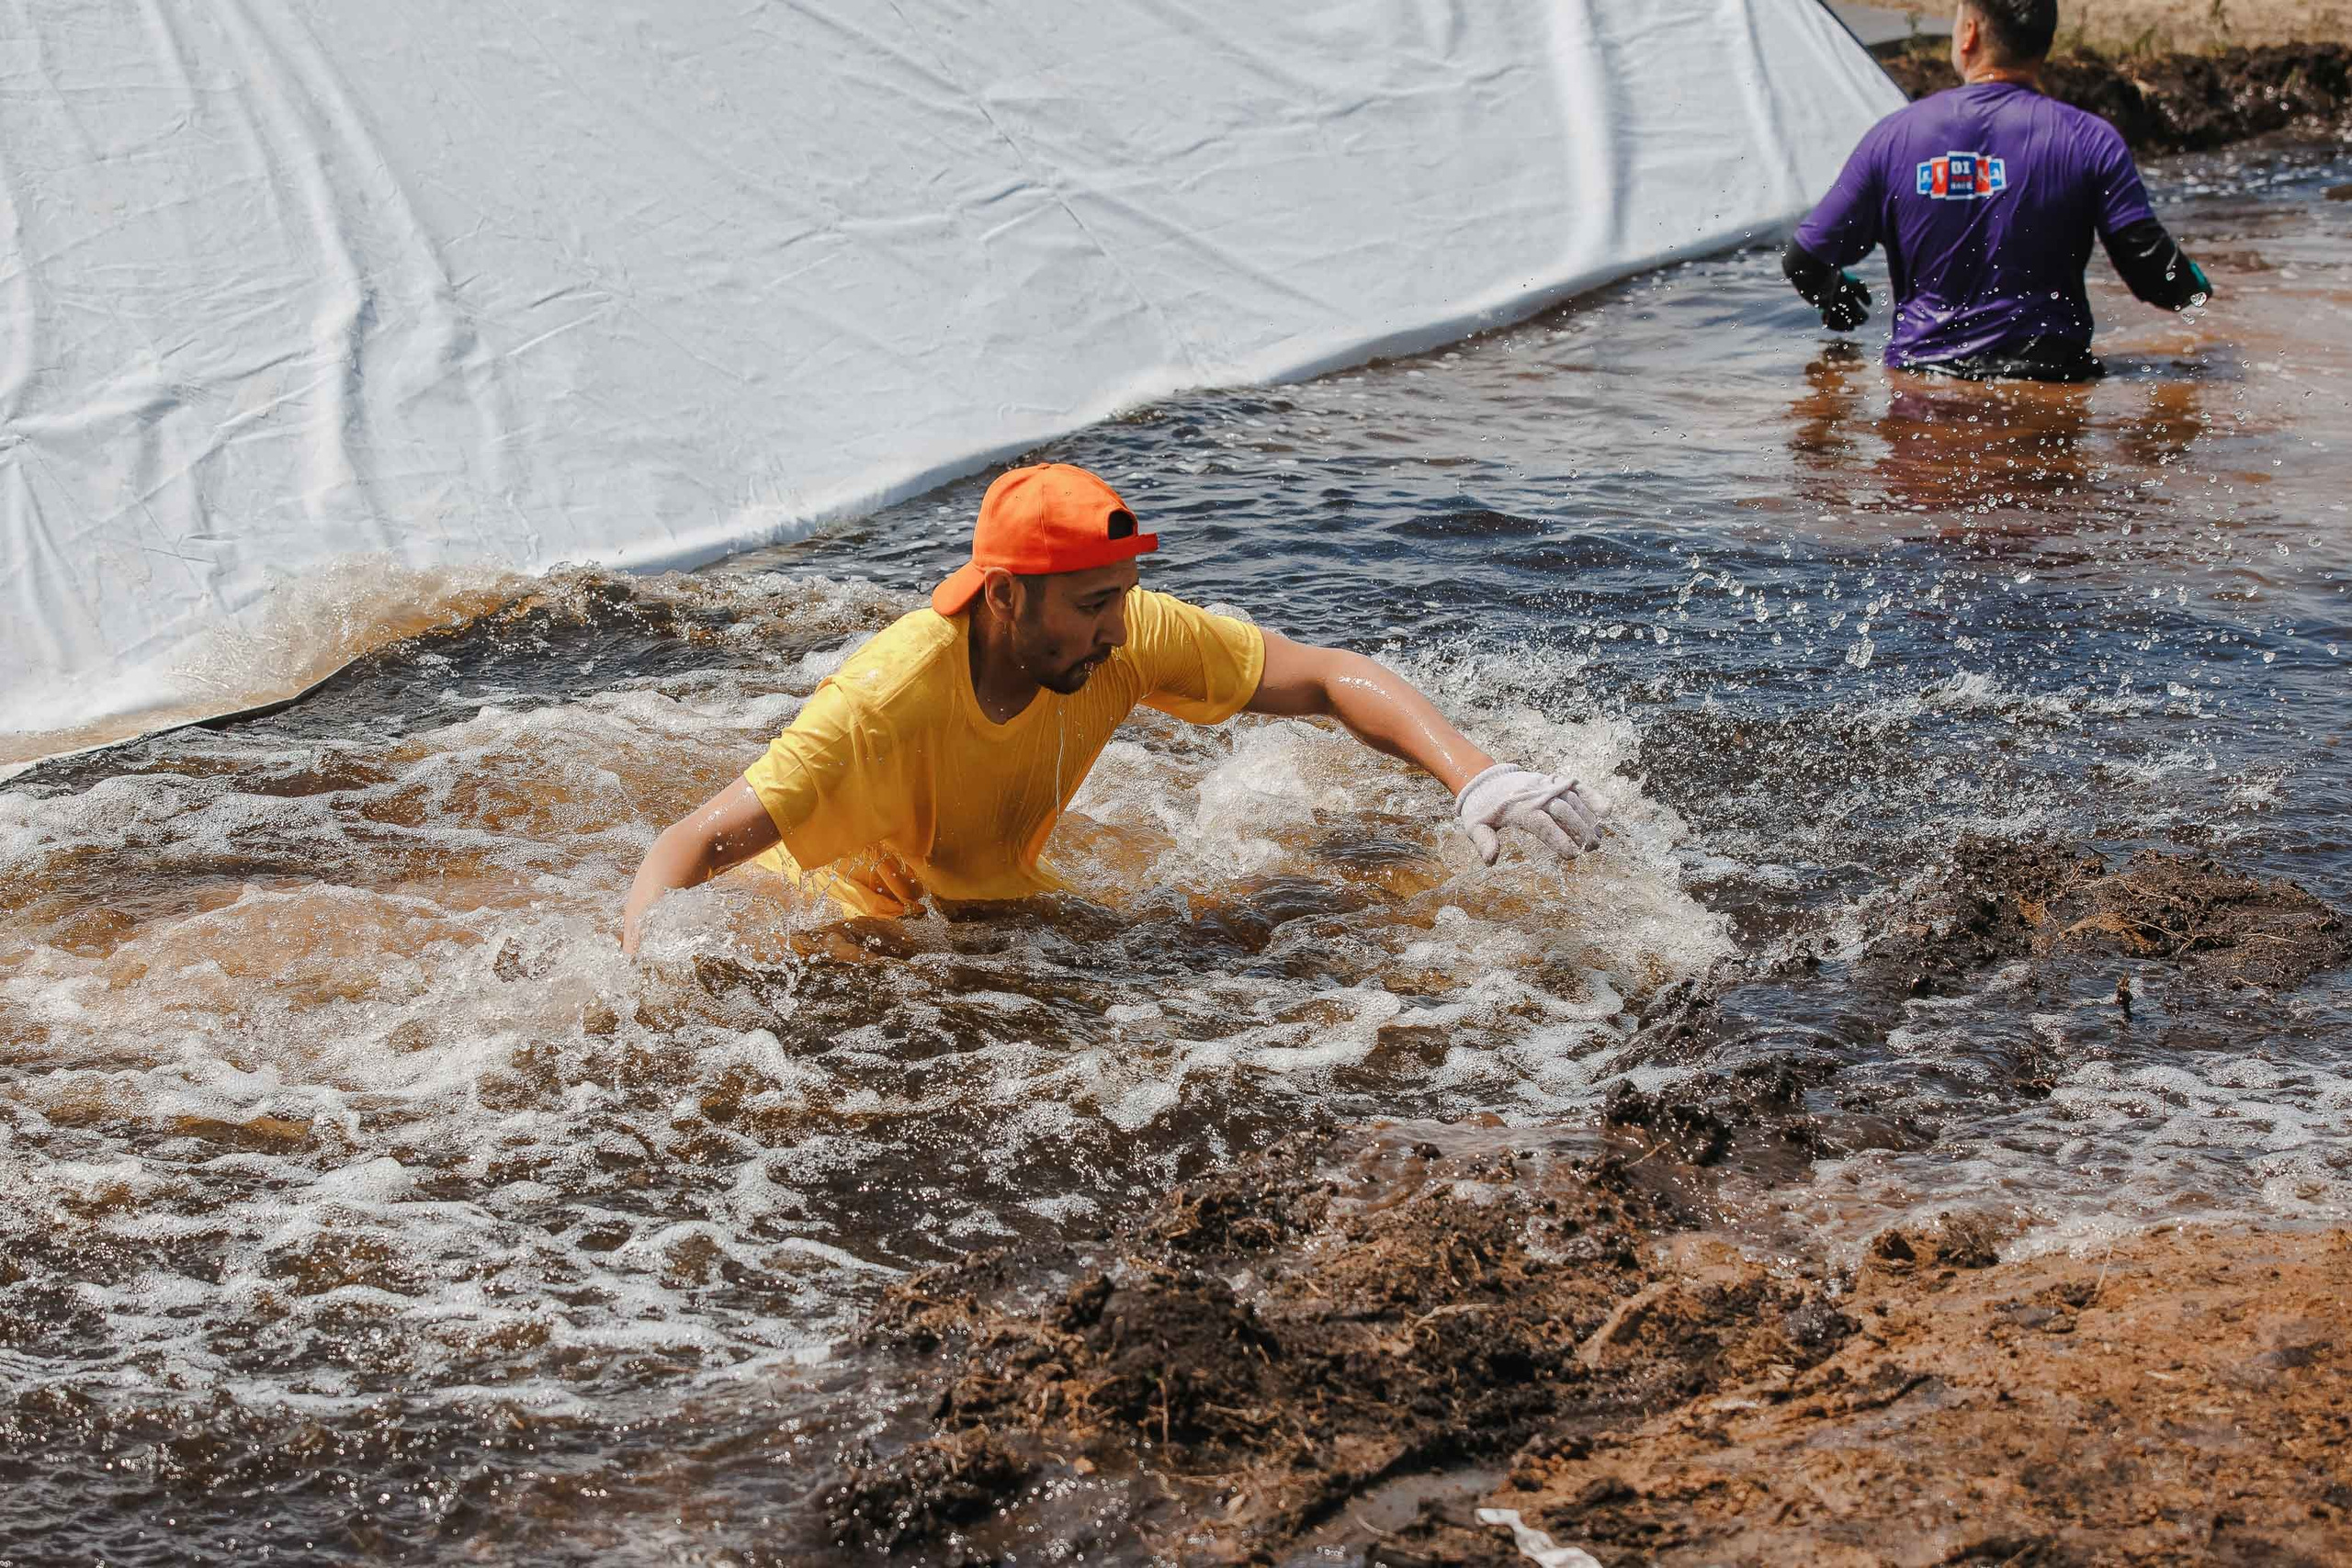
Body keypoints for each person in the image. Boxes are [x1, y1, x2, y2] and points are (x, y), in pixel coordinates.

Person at [619, 463, 1603, 954]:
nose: (1119, 632)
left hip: (997, 911)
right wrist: (635, 992)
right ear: (1005, 598)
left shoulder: (1122, 637)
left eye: (1123, 598)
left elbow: (1327, 676)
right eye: (1094, 605)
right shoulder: (879, 708)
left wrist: (1478, 775)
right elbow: (684, 847)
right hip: (859, 932)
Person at [1783, 0, 2211, 381]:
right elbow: (2156, 275)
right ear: (2045, 43)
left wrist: (1835, 294)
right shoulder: (2090, 140)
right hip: (2051, 389)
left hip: (1924, 392)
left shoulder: (1894, 137)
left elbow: (1805, 259)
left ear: (1969, 33)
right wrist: (2203, 295)